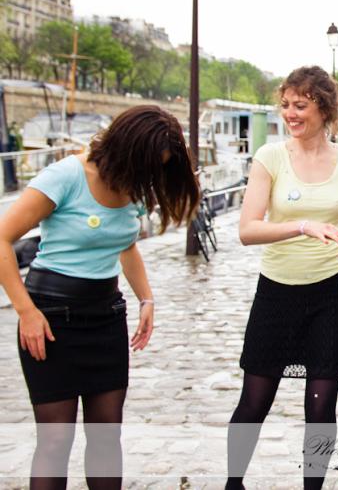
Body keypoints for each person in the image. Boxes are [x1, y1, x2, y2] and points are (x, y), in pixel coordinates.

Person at [0, 105, 199, 489]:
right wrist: (26, 311)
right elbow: (2, 239)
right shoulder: (66, 176)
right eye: (150, 165)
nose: (151, 177)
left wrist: (147, 300)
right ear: (129, 149)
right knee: (56, 440)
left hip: (106, 319)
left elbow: (126, 247)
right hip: (50, 320)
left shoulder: (133, 184)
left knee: (107, 437)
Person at [226, 65, 338, 490]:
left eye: (301, 104)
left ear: (324, 108)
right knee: (254, 400)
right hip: (276, 293)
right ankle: (232, 483)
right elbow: (247, 230)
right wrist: (302, 226)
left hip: (330, 294)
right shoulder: (270, 157)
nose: (290, 113)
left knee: (322, 406)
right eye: (285, 105)